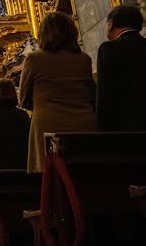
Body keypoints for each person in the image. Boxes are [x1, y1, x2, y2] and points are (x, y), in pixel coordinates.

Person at [19, 12, 96, 173]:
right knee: (85, 175)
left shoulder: (34, 59)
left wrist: (44, 105)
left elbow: (24, 99)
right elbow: (90, 93)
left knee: (51, 178)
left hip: (48, 126)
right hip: (83, 124)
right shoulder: (84, 59)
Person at [96, 5, 146, 132]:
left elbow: (105, 93)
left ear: (111, 24)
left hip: (127, 129)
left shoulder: (109, 49)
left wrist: (103, 130)